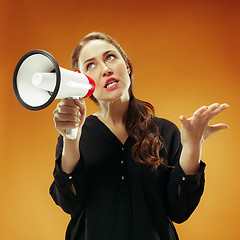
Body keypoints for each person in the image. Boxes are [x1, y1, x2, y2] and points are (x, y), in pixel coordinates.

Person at [49, 32, 229, 240]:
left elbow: (179, 211)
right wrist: (71, 137)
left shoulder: (166, 131)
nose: (106, 69)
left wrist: (192, 148)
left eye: (110, 57)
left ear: (126, 65)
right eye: (91, 65)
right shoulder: (75, 134)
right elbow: (69, 203)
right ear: (83, 82)